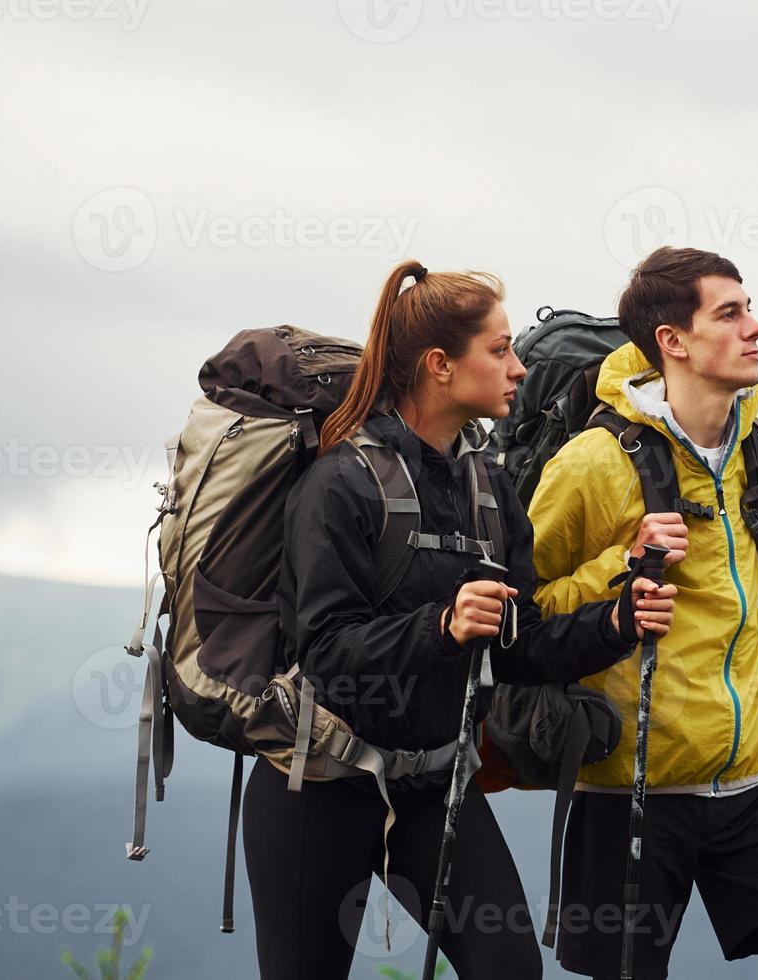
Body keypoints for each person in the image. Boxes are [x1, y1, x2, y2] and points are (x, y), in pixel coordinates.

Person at [241, 259, 678, 980]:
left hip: (436, 783)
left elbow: (518, 646)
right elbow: (325, 651)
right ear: (441, 365)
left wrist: (617, 622)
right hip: (316, 785)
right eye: (499, 350)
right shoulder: (339, 482)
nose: (517, 368)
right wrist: (440, 626)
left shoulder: (488, 485)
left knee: (510, 969)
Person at [529, 247, 758, 979]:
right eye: (731, 313)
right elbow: (523, 622)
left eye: (748, 308)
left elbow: (753, 613)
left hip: (754, 774)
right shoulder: (591, 465)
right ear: (672, 341)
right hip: (631, 785)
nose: (756, 328)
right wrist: (618, 566)